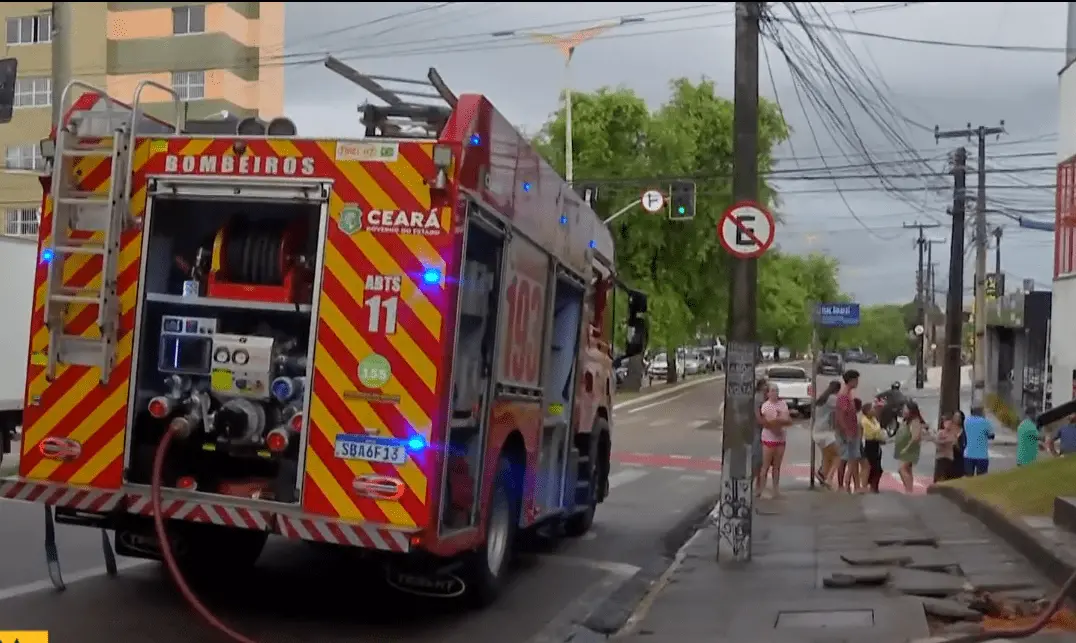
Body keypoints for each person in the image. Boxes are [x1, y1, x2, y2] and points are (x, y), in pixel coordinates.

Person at [759, 383, 792, 498]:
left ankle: (775, 489)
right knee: (765, 465)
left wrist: (780, 421)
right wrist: (777, 422)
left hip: (781, 438)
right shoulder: (765, 406)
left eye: (776, 390)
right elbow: (766, 422)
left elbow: (787, 419)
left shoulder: (783, 404)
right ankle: (762, 488)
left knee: (777, 466)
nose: (775, 393)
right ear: (768, 393)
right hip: (769, 438)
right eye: (772, 391)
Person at [834, 369, 863, 493]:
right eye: (856, 380)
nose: (857, 382)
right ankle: (841, 486)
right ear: (851, 380)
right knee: (844, 459)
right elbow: (840, 416)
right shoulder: (843, 396)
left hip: (853, 431)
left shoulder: (849, 394)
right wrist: (846, 432)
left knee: (853, 458)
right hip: (847, 433)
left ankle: (854, 485)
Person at [812, 380, 842, 488]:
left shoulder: (823, 398)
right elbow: (843, 407)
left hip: (817, 432)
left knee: (827, 457)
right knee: (839, 455)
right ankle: (829, 478)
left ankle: (823, 475)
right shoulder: (832, 398)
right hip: (825, 433)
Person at [894, 401, 926, 493]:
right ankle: (909, 490)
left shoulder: (915, 421)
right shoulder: (907, 421)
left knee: (902, 469)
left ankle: (908, 490)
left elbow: (916, 437)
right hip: (904, 448)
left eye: (905, 409)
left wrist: (906, 448)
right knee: (907, 470)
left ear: (911, 410)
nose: (903, 411)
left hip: (910, 449)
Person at [860, 400, 885, 493]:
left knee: (877, 468)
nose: (874, 410)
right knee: (872, 467)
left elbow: (878, 430)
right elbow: (871, 433)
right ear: (867, 411)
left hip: (876, 445)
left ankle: (873, 486)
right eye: (872, 408)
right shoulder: (865, 421)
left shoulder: (874, 419)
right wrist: (879, 437)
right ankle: (869, 486)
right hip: (869, 445)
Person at [963, 406, 995, 476]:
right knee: (981, 478)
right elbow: (991, 436)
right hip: (982, 455)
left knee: (968, 478)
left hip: (968, 454)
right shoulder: (985, 422)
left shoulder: (966, 421)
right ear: (981, 412)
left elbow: (965, 434)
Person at [752, 378, 768, 495]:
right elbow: (758, 417)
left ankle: (759, 485)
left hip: (760, 431)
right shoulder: (758, 398)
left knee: (761, 460)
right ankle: (757, 485)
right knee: (758, 459)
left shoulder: (763, 398)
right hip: (758, 431)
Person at [933, 413, 959, 483]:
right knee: (940, 475)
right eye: (946, 423)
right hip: (940, 457)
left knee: (947, 476)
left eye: (950, 424)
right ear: (944, 424)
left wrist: (944, 441)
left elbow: (954, 442)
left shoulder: (953, 433)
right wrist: (943, 441)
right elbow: (937, 443)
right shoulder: (940, 432)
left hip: (949, 457)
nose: (948, 425)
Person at [950, 410, 967, 479]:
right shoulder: (948, 429)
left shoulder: (964, 432)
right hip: (948, 459)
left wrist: (956, 444)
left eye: (958, 417)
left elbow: (964, 449)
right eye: (955, 416)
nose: (956, 419)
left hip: (959, 461)